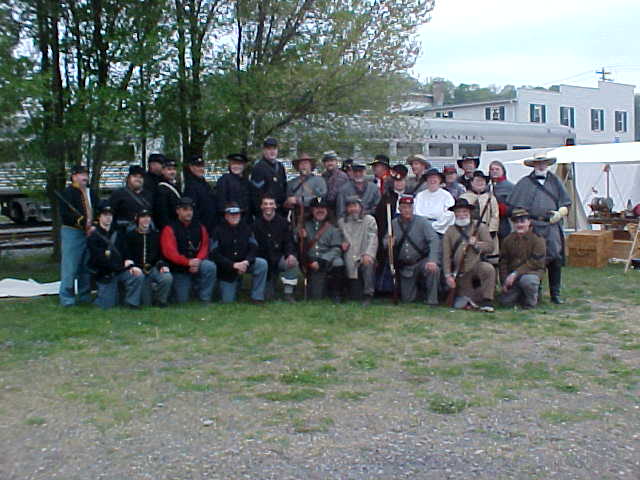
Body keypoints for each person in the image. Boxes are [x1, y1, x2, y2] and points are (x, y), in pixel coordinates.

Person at [508, 153, 571, 304]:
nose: (541, 166)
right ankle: (536, 291)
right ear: (533, 165)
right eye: (538, 163)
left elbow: (566, 202)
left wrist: (560, 213)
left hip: (552, 225)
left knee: (555, 258)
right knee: (535, 259)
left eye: (544, 163)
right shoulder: (524, 183)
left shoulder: (555, 181)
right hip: (533, 226)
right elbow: (515, 207)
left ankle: (555, 294)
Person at [442, 198, 496, 312]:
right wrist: (448, 276)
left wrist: (477, 244)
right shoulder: (449, 231)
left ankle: (488, 301)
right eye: (458, 212)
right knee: (459, 304)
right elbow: (446, 255)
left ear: (469, 212)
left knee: (488, 269)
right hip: (460, 271)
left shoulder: (480, 227)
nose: (462, 215)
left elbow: (490, 247)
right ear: (455, 213)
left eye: (464, 212)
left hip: (476, 266)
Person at [87, 202, 144, 309]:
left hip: (120, 270)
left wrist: (130, 264)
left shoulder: (118, 233)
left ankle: (132, 303)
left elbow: (125, 251)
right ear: (99, 216)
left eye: (110, 215)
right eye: (105, 215)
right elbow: (99, 259)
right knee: (106, 306)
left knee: (137, 276)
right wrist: (121, 266)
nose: (108, 218)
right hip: (105, 274)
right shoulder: (94, 237)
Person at [160, 197, 216, 303]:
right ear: (178, 211)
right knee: (182, 300)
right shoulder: (169, 228)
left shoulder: (200, 227)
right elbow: (170, 253)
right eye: (185, 209)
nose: (189, 212)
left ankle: (205, 298)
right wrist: (187, 262)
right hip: (178, 268)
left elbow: (205, 246)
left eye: (190, 210)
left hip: (197, 263)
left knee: (210, 266)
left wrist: (197, 261)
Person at [386, 196, 440, 305]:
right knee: (407, 299)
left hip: (422, 261)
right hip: (406, 266)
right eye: (404, 207)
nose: (407, 210)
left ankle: (432, 300)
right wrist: (389, 243)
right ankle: (420, 294)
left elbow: (434, 240)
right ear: (399, 209)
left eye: (409, 207)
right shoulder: (393, 223)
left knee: (433, 270)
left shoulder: (422, 222)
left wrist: (432, 260)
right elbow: (385, 241)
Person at [210, 202, 268, 304]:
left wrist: (246, 262)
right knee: (228, 301)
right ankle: (234, 286)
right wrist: (233, 265)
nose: (234, 216)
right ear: (226, 216)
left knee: (262, 263)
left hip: (245, 263)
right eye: (231, 214)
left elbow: (254, 248)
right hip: (227, 269)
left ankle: (257, 297)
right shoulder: (217, 230)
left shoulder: (247, 228)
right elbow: (215, 254)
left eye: (237, 214)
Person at [58, 164, 99, 307]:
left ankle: (84, 295)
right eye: (81, 174)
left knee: (85, 266)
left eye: (86, 174)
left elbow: (97, 210)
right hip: (72, 232)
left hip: (89, 233)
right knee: (70, 267)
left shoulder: (91, 193)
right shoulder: (67, 193)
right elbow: (66, 215)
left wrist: (93, 225)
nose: (85, 177)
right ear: (74, 176)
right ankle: (67, 299)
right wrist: (82, 223)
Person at [122, 209, 173, 307]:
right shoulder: (130, 235)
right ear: (138, 219)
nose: (146, 219)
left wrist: (162, 265)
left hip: (153, 268)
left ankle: (160, 301)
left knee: (167, 277)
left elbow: (161, 254)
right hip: (138, 269)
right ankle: (133, 303)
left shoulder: (156, 235)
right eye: (143, 217)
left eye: (148, 217)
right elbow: (126, 254)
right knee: (146, 303)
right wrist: (132, 266)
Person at [253, 194, 300, 302]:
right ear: (261, 207)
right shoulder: (255, 224)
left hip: (279, 258)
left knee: (292, 262)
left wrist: (290, 255)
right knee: (268, 296)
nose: (268, 206)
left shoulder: (283, 223)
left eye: (271, 204)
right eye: (265, 204)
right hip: (264, 263)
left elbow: (289, 242)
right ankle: (269, 287)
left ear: (275, 206)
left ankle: (288, 294)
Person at [299, 197, 345, 302]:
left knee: (338, 261)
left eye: (323, 208)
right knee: (316, 297)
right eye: (317, 208)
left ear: (327, 210)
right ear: (312, 210)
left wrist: (323, 260)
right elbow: (300, 248)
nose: (320, 210)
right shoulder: (304, 225)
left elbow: (337, 249)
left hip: (326, 260)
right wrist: (303, 238)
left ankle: (336, 293)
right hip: (311, 261)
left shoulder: (333, 227)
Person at [499, 208, 547, 309]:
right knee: (505, 302)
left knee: (528, 281)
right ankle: (520, 293)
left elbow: (536, 263)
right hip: (513, 277)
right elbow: (503, 262)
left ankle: (531, 302)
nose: (519, 225)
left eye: (522, 221)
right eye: (516, 222)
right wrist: (504, 281)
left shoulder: (538, 239)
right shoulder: (508, 240)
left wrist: (515, 274)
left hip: (532, 272)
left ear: (529, 222)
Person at [373, 164, 408, 293]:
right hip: (390, 234)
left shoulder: (413, 197)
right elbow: (381, 220)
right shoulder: (387, 198)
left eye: (401, 180)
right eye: (396, 181)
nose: (399, 184)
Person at [338, 196, 378, 305]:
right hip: (349, 257)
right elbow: (339, 238)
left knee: (368, 264)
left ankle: (368, 294)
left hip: (364, 255)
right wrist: (341, 244)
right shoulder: (341, 222)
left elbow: (373, 239)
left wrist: (368, 254)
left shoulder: (369, 220)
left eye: (355, 206)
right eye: (350, 206)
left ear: (360, 207)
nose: (353, 209)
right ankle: (341, 292)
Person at [460, 170, 500, 265]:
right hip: (469, 230)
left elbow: (495, 215)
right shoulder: (464, 197)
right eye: (477, 180)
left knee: (489, 258)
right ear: (471, 182)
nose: (480, 183)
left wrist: (492, 230)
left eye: (482, 181)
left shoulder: (490, 198)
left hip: (487, 230)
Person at [109, 165, 153, 231]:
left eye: (141, 177)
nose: (138, 179)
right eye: (135, 176)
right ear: (129, 178)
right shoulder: (118, 194)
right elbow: (110, 214)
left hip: (144, 233)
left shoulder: (149, 195)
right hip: (124, 233)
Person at [250, 138, 287, 214]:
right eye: (269, 149)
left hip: (280, 211)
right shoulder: (258, 168)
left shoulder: (280, 166)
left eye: (274, 149)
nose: (272, 151)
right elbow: (256, 195)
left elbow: (284, 188)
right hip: (265, 212)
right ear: (264, 151)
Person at [413, 168, 455, 235]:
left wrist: (435, 226)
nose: (432, 180)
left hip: (440, 231)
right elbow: (415, 212)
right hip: (421, 230)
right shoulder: (420, 195)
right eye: (430, 178)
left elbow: (450, 214)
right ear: (426, 180)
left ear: (440, 180)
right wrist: (424, 226)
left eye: (435, 178)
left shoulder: (447, 195)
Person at [216, 153, 257, 222]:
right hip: (230, 221)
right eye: (234, 164)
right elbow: (221, 204)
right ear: (230, 165)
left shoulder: (247, 182)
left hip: (246, 222)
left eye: (239, 164)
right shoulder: (224, 180)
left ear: (244, 166)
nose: (236, 166)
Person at [183, 154, 217, 234]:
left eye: (202, 166)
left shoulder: (204, 183)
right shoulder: (191, 186)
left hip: (211, 227)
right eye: (198, 166)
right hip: (200, 229)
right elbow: (191, 211)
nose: (201, 169)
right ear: (191, 167)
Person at [489, 160, 515, 241]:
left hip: (505, 222)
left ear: (503, 171)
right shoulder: (487, 187)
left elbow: (515, 206)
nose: (494, 171)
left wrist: (502, 209)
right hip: (490, 223)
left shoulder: (510, 187)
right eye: (492, 169)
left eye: (497, 169)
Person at [154, 158, 181, 231]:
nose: (172, 172)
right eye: (169, 169)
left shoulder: (175, 186)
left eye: (174, 169)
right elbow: (162, 213)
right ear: (163, 171)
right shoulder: (162, 189)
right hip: (169, 228)